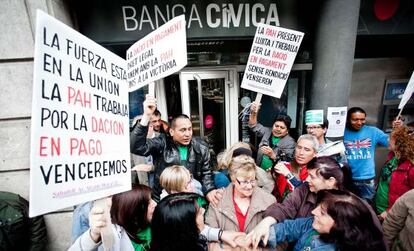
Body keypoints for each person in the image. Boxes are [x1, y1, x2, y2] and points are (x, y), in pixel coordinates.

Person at [248, 156, 360, 248]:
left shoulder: (351, 209)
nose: (306, 180)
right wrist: (266, 224)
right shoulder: (305, 189)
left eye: (312, 177)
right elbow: (287, 212)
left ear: (331, 181)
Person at [130, 95, 222, 205]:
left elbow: (206, 173)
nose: (188, 134)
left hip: (192, 198)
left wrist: (209, 190)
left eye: (189, 129)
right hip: (165, 199)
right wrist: (146, 116)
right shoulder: (162, 143)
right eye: (182, 130)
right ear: (172, 132)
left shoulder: (200, 146)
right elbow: (136, 147)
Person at [264, 190, 386, 251]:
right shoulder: (313, 225)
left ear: (340, 224)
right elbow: (289, 228)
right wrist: (261, 232)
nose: (313, 212)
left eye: (322, 213)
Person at [205, 155, 276, 250]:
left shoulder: (269, 201)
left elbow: (280, 242)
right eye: (244, 182)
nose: (250, 186)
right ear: (233, 179)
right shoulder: (218, 201)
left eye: (252, 180)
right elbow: (208, 239)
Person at [69, 184, 157, 251]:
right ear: (134, 210)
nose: (155, 204)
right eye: (148, 203)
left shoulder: (155, 223)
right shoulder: (113, 237)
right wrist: (93, 235)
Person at [343, 107, 389, 203]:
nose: (359, 123)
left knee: (367, 208)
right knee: (349, 208)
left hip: (367, 179)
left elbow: (392, 143)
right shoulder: (341, 133)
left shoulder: (373, 131)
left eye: (362, 119)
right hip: (347, 178)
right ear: (348, 119)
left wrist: (397, 128)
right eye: (355, 119)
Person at [375, 125, 414, 220]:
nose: (387, 140)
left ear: (400, 143)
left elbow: (411, 198)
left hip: (394, 215)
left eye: (390, 138)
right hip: (379, 207)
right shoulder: (392, 158)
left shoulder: (411, 168)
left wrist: (389, 211)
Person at [249, 101, 296, 171]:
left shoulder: (290, 143)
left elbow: (289, 162)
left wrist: (272, 155)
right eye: (276, 126)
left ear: (287, 131)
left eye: (282, 128)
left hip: (276, 175)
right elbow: (253, 126)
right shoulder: (267, 131)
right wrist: (254, 112)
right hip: (260, 170)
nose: (278, 129)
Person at [272, 134, 318, 201]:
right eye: (299, 147)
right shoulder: (285, 166)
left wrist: (288, 174)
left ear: (315, 154)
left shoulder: (317, 172)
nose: (301, 152)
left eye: (307, 150)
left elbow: (304, 192)